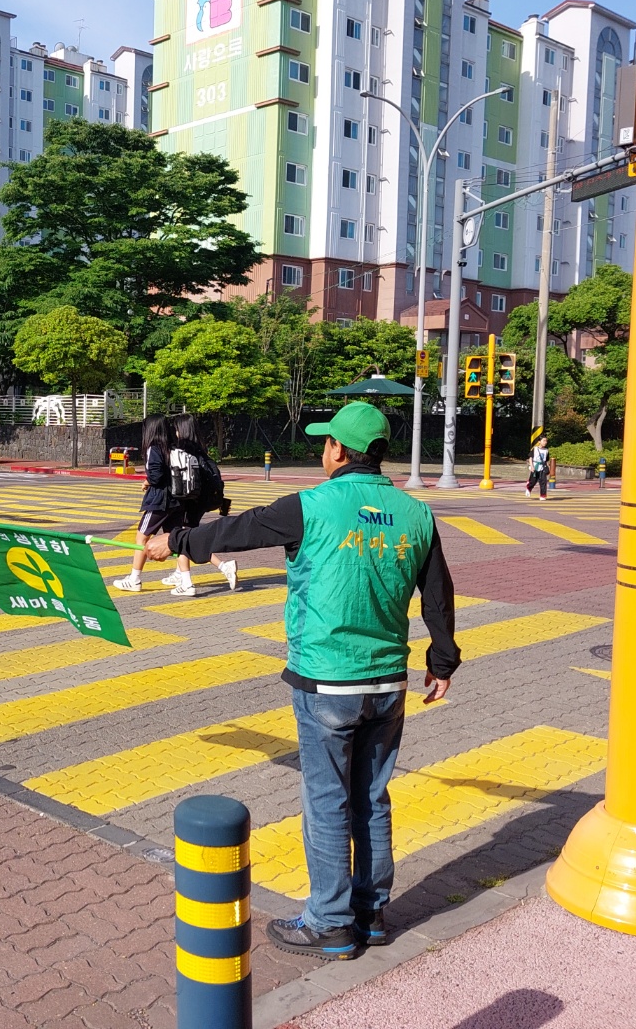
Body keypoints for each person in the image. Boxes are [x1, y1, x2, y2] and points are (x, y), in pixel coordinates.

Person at [143, 401, 460, 960]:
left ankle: (331, 922)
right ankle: (372, 911)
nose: (322, 450)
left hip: (326, 680)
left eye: (326, 443)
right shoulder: (416, 513)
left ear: (339, 450)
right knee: (372, 797)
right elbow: (437, 594)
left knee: (327, 801)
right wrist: (442, 661)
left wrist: (176, 542)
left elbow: (240, 530)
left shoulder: (312, 506)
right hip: (388, 683)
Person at [160, 413, 237, 596]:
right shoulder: (201, 450)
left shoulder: (182, 450)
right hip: (202, 501)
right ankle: (181, 574)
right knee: (187, 538)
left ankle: (220, 568)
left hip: (189, 502)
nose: (175, 432)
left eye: (177, 428)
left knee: (183, 539)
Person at [113, 416, 182, 592]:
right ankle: (183, 576)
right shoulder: (174, 447)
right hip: (176, 499)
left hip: (159, 500)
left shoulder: (154, 448)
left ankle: (135, 578)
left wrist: (148, 481)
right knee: (175, 537)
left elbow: (156, 476)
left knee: (141, 537)